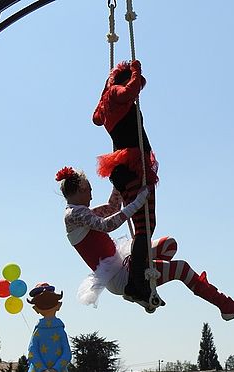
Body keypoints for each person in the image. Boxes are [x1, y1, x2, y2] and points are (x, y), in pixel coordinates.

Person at [56, 166, 234, 320]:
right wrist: (136, 204)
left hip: (123, 262)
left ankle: (143, 290)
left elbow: (112, 207)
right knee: (181, 269)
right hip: (120, 276)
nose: (91, 195)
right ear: (80, 189)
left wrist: (118, 184)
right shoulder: (74, 214)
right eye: (89, 190)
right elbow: (108, 225)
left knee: (169, 244)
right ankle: (225, 306)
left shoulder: (81, 212)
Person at [92, 59, 158, 306]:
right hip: (132, 167)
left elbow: (96, 118)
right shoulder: (117, 94)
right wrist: (136, 70)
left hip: (125, 167)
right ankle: (135, 283)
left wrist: (126, 80)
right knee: (145, 226)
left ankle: (137, 282)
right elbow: (131, 90)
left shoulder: (107, 103)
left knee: (145, 225)